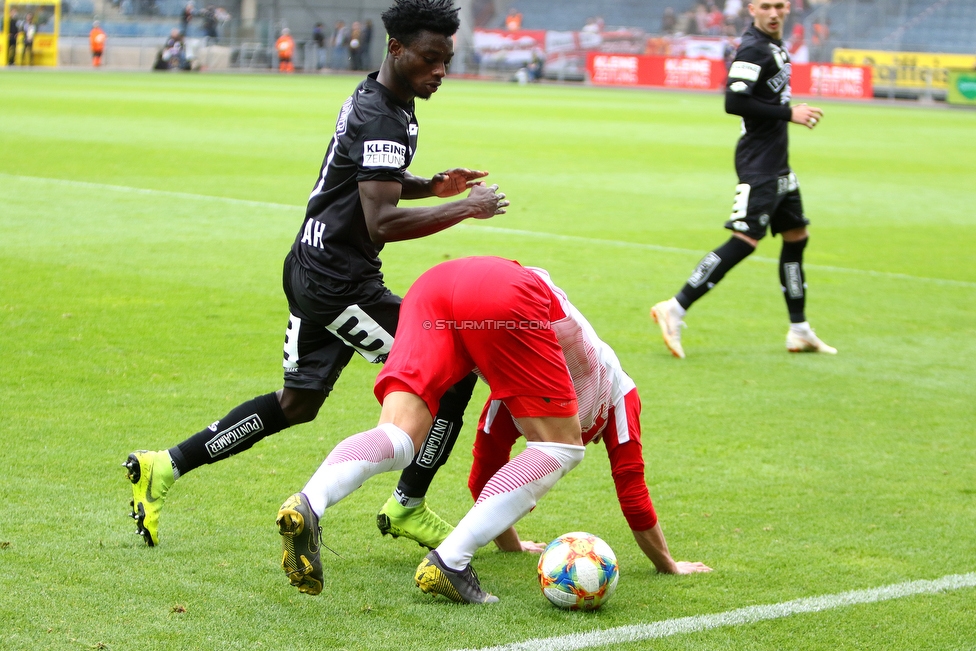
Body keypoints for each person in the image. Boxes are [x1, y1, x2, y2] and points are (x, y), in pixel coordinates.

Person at [124, 0, 507, 548]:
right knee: (453, 375)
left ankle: (164, 465)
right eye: (430, 59)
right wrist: (466, 208)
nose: (440, 72)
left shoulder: (379, 96)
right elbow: (381, 222)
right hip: (341, 285)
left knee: (296, 405)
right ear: (396, 49)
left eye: (446, 60)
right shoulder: (384, 114)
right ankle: (407, 507)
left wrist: (432, 186)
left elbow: (368, 178)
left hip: (311, 264)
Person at [276, 257, 712, 602]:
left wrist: (511, 544)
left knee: (401, 436)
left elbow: (484, 470)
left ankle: (310, 502)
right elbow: (632, 492)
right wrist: (668, 565)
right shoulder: (620, 396)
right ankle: (449, 561)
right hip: (506, 294)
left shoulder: (515, 392)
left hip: (434, 288)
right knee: (563, 449)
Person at [650, 0, 835, 359]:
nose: (774, 13)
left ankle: (799, 329)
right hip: (759, 164)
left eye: (780, 6)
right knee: (745, 239)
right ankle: (676, 306)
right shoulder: (752, 48)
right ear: (752, 8)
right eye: (766, 6)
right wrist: (789, 113)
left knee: (797, 236)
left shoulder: (774, 45)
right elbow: (734, 102)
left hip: (779, 164)